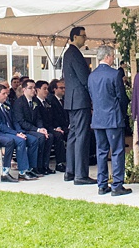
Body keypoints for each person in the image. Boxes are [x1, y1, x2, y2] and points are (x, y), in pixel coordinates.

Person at [88, 44, 130, 196]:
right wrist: (123, 112)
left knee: (101, 152)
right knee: (117, 151)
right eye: (112, 56)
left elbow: (92, 96)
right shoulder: (114, 74)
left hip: (98, 118)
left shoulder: (91, 75)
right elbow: (121, 97)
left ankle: (102, 184)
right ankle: (117, 185)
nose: (113, 58)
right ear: (107, 56)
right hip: (113, 117)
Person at [0, 83, 40, 181]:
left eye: (6, 93)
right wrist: (16, 134)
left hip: (13, 131)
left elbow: (14, 120)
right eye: (3, 94)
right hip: (1, 133)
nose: (6, 96)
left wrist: (19, 131)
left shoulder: (7, 105)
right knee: (20, 141)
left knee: (33, 140)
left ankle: (31, 168)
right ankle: (22, 172)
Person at [63, 27, 96, 185]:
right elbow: (84, 78)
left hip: (71, 100)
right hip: (80, 99)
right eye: (83, 36)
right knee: (82, 136)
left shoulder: (68, 53)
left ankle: (70, 171)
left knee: (73, 136)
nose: (85, 39)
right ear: (75, 37)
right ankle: (81, 175)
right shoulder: (75, 53)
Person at [12, 79, 52, 175]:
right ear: (24, 89)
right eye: (30, 88)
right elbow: (21, 121)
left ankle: (44, 165)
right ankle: (34, 166)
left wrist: (42, 128)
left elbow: (38, 117)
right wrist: (37, 129)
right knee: (40, 138)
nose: (33, 90)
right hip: (25, 129)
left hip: (34, 128)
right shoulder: (19, 102)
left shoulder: (35, 101)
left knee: (49, 136)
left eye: (34, 88)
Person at [36, 80, 66, 173]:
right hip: (41, 128)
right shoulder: (36, 102)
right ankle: (45, 165)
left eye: (47, 89)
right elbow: (38, 119)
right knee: (55, 136)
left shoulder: (47, 102)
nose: (46, 91)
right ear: (38, 90)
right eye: (44, 89)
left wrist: (56, 127)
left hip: (49, 127)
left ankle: (59, 163)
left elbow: (53, 117)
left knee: (58, 133)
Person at [47, 78, 69, 172]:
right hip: (55, 126)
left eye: (64, 88)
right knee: (59, 135)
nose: (63, 90)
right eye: (61, 88)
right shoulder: (51, 100)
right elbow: (52, 117)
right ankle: (60, 163)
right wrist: (57, 127)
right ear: (54, 89)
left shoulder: (63, 100)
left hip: (65, 125)